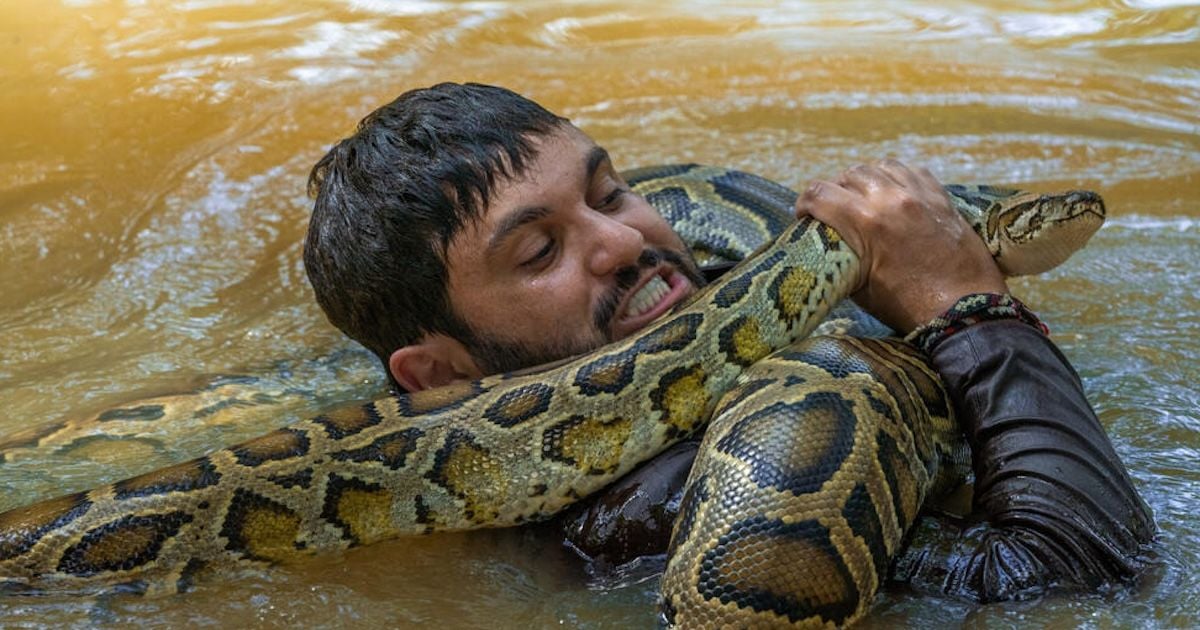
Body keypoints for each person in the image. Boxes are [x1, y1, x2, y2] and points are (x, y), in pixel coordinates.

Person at [304, 82, 1154, 603]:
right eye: (539, 251)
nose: (623, 240)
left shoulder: (740, 284)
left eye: (609, 190)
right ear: (440, 376)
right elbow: (1077, 577)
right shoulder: (651, 526)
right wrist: (963, 307)